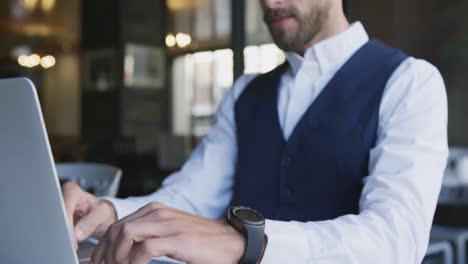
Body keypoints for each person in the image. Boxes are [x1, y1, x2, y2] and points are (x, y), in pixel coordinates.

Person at [62, 0, 448, 263]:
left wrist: (247, 243)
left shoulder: (410, 82)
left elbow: (396, 241)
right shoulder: (246, 92)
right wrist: (108, 212)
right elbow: (190, 196)